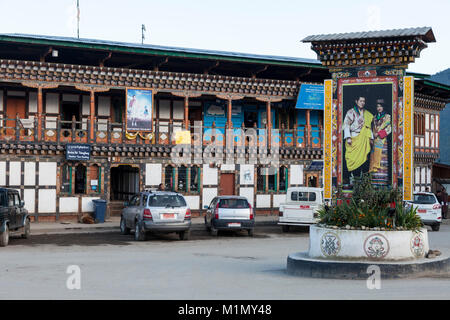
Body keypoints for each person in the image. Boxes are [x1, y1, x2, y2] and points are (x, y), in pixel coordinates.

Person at [343, 96, 374, 181]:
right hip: (354, 138)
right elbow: (346, 125)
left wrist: (371, 138)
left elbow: (368, 127)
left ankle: (364, 180)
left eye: (364, 101)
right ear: (356, 101)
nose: (362, 103)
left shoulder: (367, 114)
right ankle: (354, 178)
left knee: (364, 159)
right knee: (352, 159)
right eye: (361, 101)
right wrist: (348, 137)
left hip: (364, 139)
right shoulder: (350, 112)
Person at [369, 99, 391, 187]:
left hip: (382, 142)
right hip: (375, 141)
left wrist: (378, 133)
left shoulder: (387, 117)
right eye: (377, 106)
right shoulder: (374, 117)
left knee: (382, 160)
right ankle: (374, 181)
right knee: (374, 159)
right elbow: (371, 129)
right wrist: (372, 135)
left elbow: (389, 129)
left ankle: (382, 182)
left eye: (380, 106)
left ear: (383, 107)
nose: (379, 108)